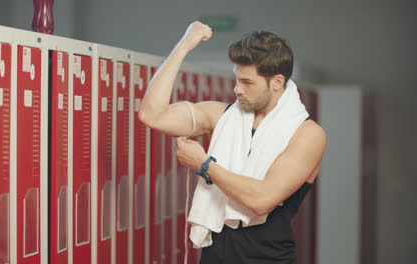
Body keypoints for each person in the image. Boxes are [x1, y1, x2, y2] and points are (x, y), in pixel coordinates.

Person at [138, 21, 326, 264]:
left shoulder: (307, 134)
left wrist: (205, 165)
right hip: (215, 254)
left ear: (277, 82)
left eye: (247, 83)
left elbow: (261, 200)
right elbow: (152, 114)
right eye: (237, 79)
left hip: (269, 258)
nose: (237, 89)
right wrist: (184, 46)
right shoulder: (223, 116)